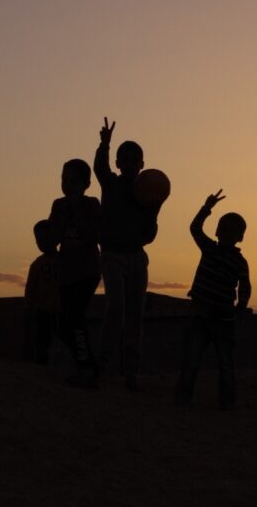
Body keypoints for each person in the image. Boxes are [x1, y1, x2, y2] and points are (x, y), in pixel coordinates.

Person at [94, 118, 161, 390]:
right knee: (116, 308)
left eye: (136, 159)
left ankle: (131, 372)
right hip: (112, 256)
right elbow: (99, 167)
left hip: (136, 258)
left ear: (142, 164)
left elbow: (148, 237)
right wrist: (105, 144)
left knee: (134, 316)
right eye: (126, 159)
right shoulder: (111, 184)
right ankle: (103, 366)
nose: (131, 163)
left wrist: (154, 211)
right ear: (119, 163)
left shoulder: (147, 194)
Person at [175, 190, 250, 409]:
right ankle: (183, 399)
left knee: (225, 364)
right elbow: (195, 228)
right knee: (192, 360)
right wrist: (207, 207)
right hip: (201, 316)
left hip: (223, 319)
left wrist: (242, 305)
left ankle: (226, 403)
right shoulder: (209, 248)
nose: (227, 233)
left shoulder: (239, 261)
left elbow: (245, 285)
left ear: (240, 236)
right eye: (225, 229)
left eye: (233, 230)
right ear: (217, 231)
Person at [48, 158, 101, 387]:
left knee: (75, 319)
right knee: (65, 323)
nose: (67, 184)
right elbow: (52, 237)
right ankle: (85, 364)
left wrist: (76, 209)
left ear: (86, 183)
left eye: (72, 180)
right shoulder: (58, 205)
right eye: (64, 179)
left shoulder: (91, 204)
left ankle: (86, 368)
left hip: (86, 271)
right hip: (67, 272)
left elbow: (93, 235)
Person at [23, 220, 60, 364]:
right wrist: (28, 308)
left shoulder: (64, 259)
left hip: (60, 310)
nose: (42, 242)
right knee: (42, 343)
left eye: (45, 238)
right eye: (38, 239)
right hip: (42, 310)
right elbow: (30, 289)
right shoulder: (37, 264)